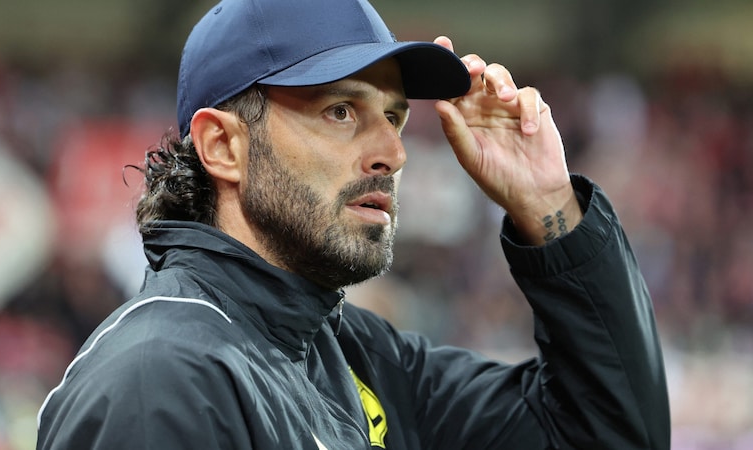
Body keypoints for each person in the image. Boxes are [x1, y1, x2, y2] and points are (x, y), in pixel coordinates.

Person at [36, 0, 670, 448]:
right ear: (223, 147)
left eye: (393, 118)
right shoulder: (161, 380)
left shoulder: (354, 356)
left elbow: (607, 433)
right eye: (340, 111)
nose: (392, 153)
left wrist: (547, 205)